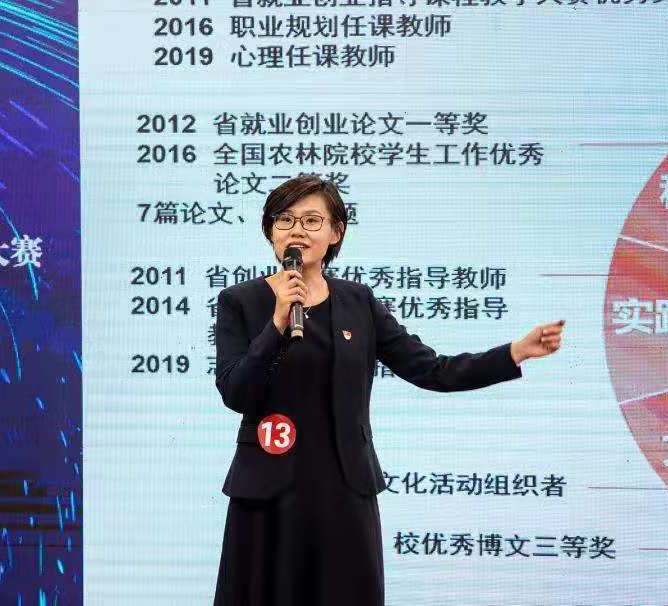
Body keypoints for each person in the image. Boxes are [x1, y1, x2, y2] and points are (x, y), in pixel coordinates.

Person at [212, 175, 565, 606]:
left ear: (335, 232)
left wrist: (513, 353)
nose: (297, 230)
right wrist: (276, 324)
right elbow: (236, 392)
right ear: (270, 230)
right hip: (268, 491)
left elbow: (431, 370)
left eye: (311, 220)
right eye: (285, 220)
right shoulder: (240, 301)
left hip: (344, 489)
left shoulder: (358, 302)